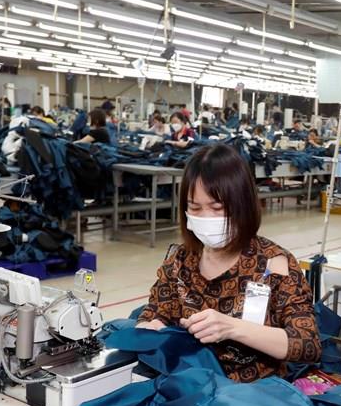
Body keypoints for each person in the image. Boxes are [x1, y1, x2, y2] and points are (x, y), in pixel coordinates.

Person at [135, 144, 321, 382]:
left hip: (251, 394)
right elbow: (155, 311)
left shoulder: (273, 264)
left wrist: (232, 328)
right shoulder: (179, 261)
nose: (206, 217)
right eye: (195, 208)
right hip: (190, 383)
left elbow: (307, 344)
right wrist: (150, 326)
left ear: (242, 205)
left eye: (217, 208)